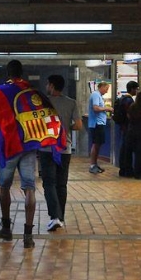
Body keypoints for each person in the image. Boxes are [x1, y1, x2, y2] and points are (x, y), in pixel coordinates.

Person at [0, 60, 42, 249]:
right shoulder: (31, 91)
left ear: (8, 73)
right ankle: (28, 236)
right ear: (22, 72)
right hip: (28, 144)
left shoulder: (1, 91)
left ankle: (6, 227)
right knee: (29, 188)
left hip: (9, 146)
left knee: (4, 187)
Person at [41, 74, 82, 231]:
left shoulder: (43, 102)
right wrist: (65, 128)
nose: (46, 87)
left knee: (49, 183)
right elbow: (78, 125)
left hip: (47, 148)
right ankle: (61, 217)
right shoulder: (71, 102)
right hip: (65, 148)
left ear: (52, 86)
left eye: (47, 84)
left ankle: (55, 216)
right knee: (61, 184)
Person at [88, 81, 113, 174]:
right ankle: (92, 165)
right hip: (96, 124)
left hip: (100, 123)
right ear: (101, 86)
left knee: (98, 144)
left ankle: (95, 164)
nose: (106, 91)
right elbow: (96, 108)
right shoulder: (95, 95)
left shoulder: (99, 96)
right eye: (106, 89)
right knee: (96, 144)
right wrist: (107, 108)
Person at [117, 80, 139, 177]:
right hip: (128, 127)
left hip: (123, 126)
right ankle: (128, 170)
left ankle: (122, 169)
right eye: (136, 89)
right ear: (132, 89)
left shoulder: (121, 99)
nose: (137, 91)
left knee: (124, 148)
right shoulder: (129, 101)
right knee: (128, 149)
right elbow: (130, 114)